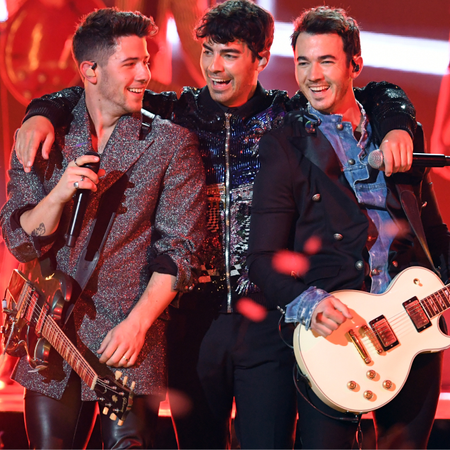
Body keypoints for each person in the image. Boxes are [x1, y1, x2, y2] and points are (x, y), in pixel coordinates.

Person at [12, 2, 417, 448]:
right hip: (190, 321)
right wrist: (40, 112)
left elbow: (375, 92)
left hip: (269, 321)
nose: (214, 67)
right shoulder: (177, 112)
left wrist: (397, 123)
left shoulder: (289, 118)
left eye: (229, 54)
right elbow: (95, 87)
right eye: (207, 52)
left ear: (261, 59)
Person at [0, 8, 205, 449]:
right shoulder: (45, 134)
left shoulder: (170, 143)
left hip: (127, 340)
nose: (145, 74)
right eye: (130, 63)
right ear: (90, 71)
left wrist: (138, 325)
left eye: (147, 62)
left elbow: (182, 251)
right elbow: (19, 238)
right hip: (49, 337)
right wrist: (57, 195)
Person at [247, 6, 450, 449]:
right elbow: (261, 259)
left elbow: (433, 234)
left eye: (326, 61)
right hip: (337, 341)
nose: (312, 75)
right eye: (303, 62)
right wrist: (310, 305)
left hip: (412, 327)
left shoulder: (397, 128)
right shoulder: (286, 143)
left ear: (355, 64)